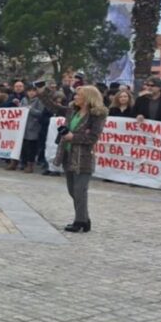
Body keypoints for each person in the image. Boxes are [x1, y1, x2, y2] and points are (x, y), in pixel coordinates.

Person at [41, 84, 109, 233]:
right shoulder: (72, 110)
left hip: (83, 157)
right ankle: (85, 219)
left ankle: (79, 222)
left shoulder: (97, 114)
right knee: (72, 190)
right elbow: (54, 107)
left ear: (88, 98)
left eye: (79, 95)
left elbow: (93, 137)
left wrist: (74, 137)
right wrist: (44, 93)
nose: (75, 97)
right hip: (67, 154)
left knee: (80, 190)